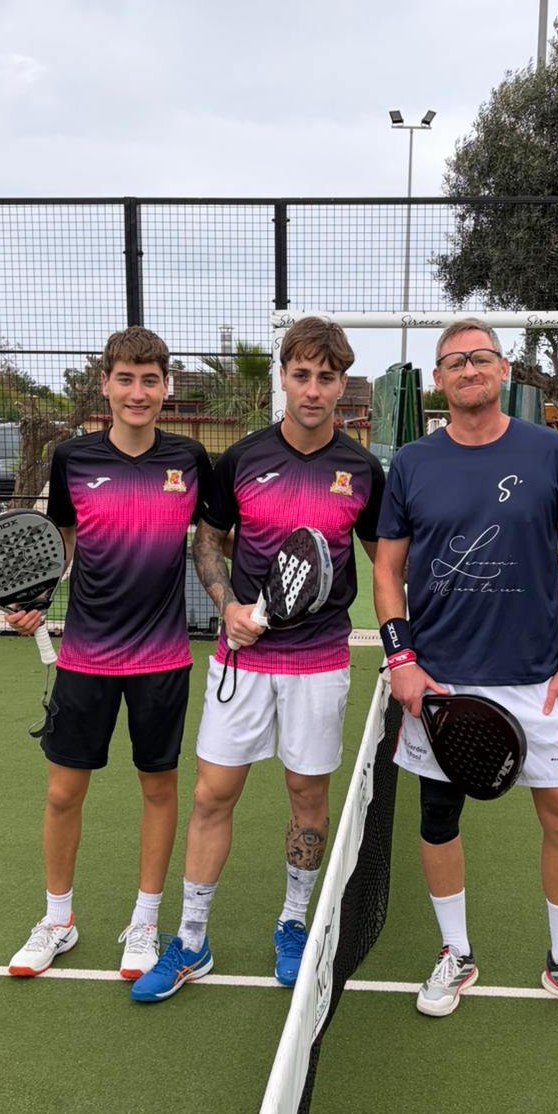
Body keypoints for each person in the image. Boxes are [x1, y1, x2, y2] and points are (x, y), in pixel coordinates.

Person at [131, 317, 385, 1002]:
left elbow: (386, 561)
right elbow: (207, 542)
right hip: (242, 662)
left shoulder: (363, 470)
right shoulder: (242, 459)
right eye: (301, 375)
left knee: (308, 798)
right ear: (283, 377)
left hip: (320, 663)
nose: (313, 390)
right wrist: (227, 606)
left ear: (342, 384)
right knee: (212, 794)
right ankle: (191, 940)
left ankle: (293, 924)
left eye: (326, 377)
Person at [373, 321, 558, 1025]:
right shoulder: (412, 463)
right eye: (454, 361)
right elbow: (386, 570)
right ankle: (455, 952)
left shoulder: (550, 451)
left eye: (481, 357)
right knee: (438, 815)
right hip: (440, 680)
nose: (469, 369)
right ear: (438, 379)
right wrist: (401, 660)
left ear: (503, 369)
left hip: (538, 676)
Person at [5, 326, 213, 980]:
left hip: (163, 659)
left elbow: (214, 539)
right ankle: (57, 920)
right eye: (126, 379)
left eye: (150, 380)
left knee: (158, 788)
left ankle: (146, 922)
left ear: (166, 387)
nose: (138, 392)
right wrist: (33, 598)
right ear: (105, 385)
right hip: (85, 658)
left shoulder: (189, 459)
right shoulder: (72, 458)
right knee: (63, 792)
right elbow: (61, 544)